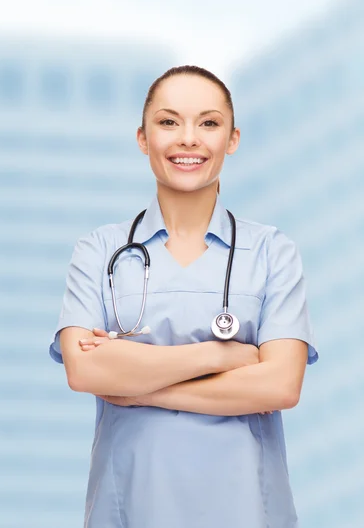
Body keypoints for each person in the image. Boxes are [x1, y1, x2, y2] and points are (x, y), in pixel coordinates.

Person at [49, 65, 319, 528]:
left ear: (232, 139)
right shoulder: (99, 249)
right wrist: (225, 355)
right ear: (142, 138)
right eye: (169, 122)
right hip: (132, 504)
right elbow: (85, 368)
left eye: (208, 123)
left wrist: (137, 384)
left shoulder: (273, 251)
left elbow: (280, 386)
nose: (188, 139)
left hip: (246, 508)